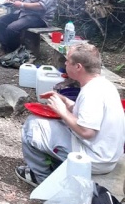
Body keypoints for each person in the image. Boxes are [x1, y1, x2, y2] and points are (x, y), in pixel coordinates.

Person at [16, 43, 125, 187]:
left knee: (32, 125)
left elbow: (87, 131)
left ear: (78, 67)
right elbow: (88, 115)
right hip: (106, 153)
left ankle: (41, 177)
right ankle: (55, 165)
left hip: (95, 159)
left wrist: (62, 111)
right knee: (46, 123)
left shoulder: (91, 92)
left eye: (68, 61)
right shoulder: (103, 85)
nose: (65, 63)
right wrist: (65, 101)